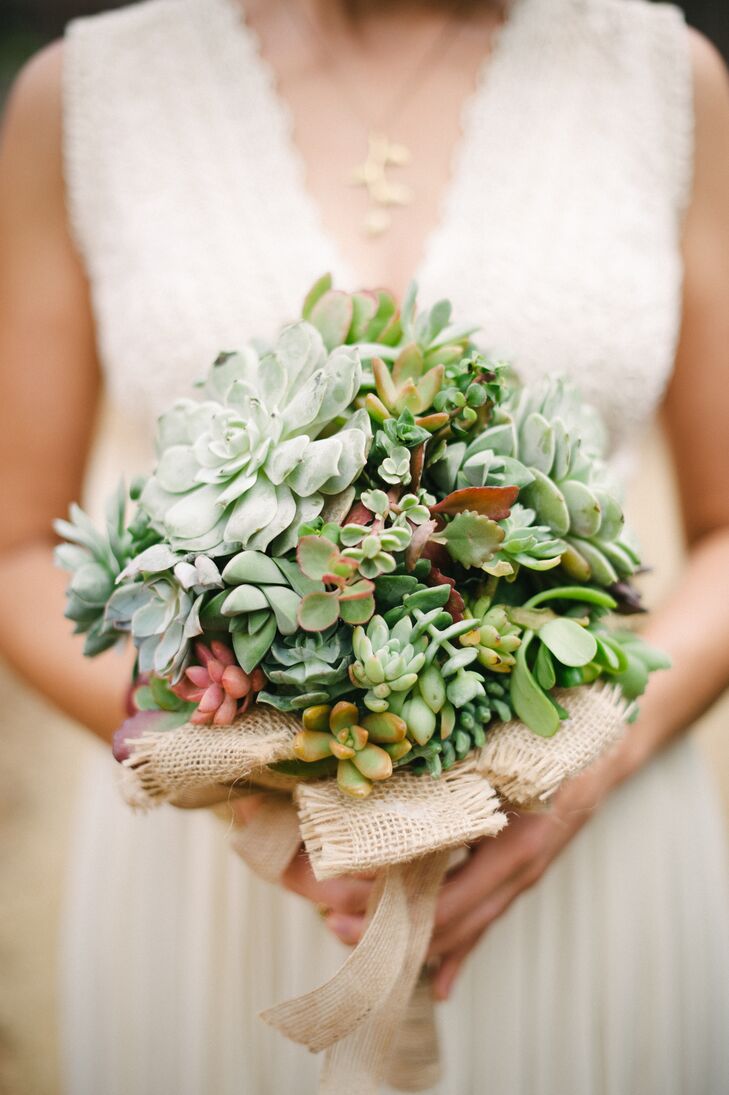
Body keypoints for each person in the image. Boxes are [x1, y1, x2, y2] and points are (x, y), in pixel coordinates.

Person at [1, 0, 729, 1090]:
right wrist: (249, 780)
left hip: (582, 842)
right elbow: (16, 548)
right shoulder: (86, 94)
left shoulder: (666, 79)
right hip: (225, 889)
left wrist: (591, 759)